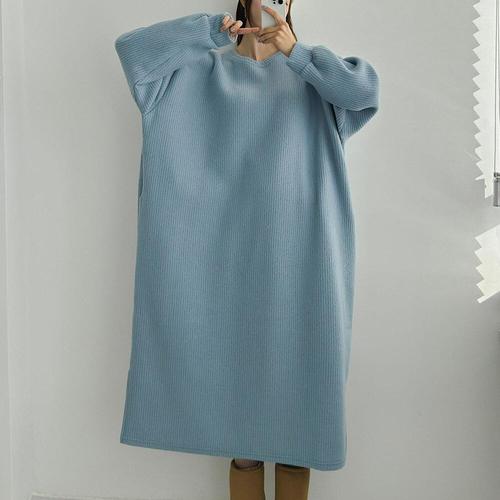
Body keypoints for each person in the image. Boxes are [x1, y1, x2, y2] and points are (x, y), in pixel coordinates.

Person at [114, 1, 379, 499]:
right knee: (241, 436)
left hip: (301, 268)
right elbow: (133, 51)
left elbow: (365, 92)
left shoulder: (316, 80)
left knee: (302, 428)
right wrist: (208, 31)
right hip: (215, 270)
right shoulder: (188, 75)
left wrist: (299, 54)